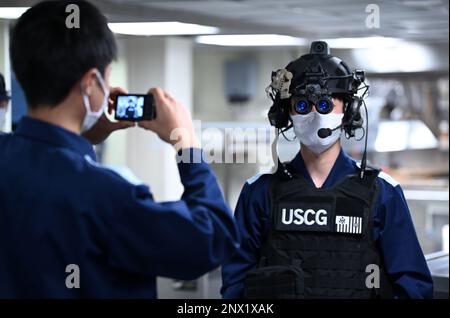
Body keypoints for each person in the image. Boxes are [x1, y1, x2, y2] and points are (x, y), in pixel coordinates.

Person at [0, 0, 239, 298]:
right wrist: (186, 143)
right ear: (90, 83)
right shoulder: (108, 195)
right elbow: (213, 239)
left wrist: (82, 140)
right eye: (107, 77)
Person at [221, 41, 433, 299]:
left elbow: (414, 287)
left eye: (325, 104)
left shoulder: (382, 192)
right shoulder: (259, 192)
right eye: (302, 105)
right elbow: (235, 285)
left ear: (348, 109)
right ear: (286, 113)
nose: (314, 115)